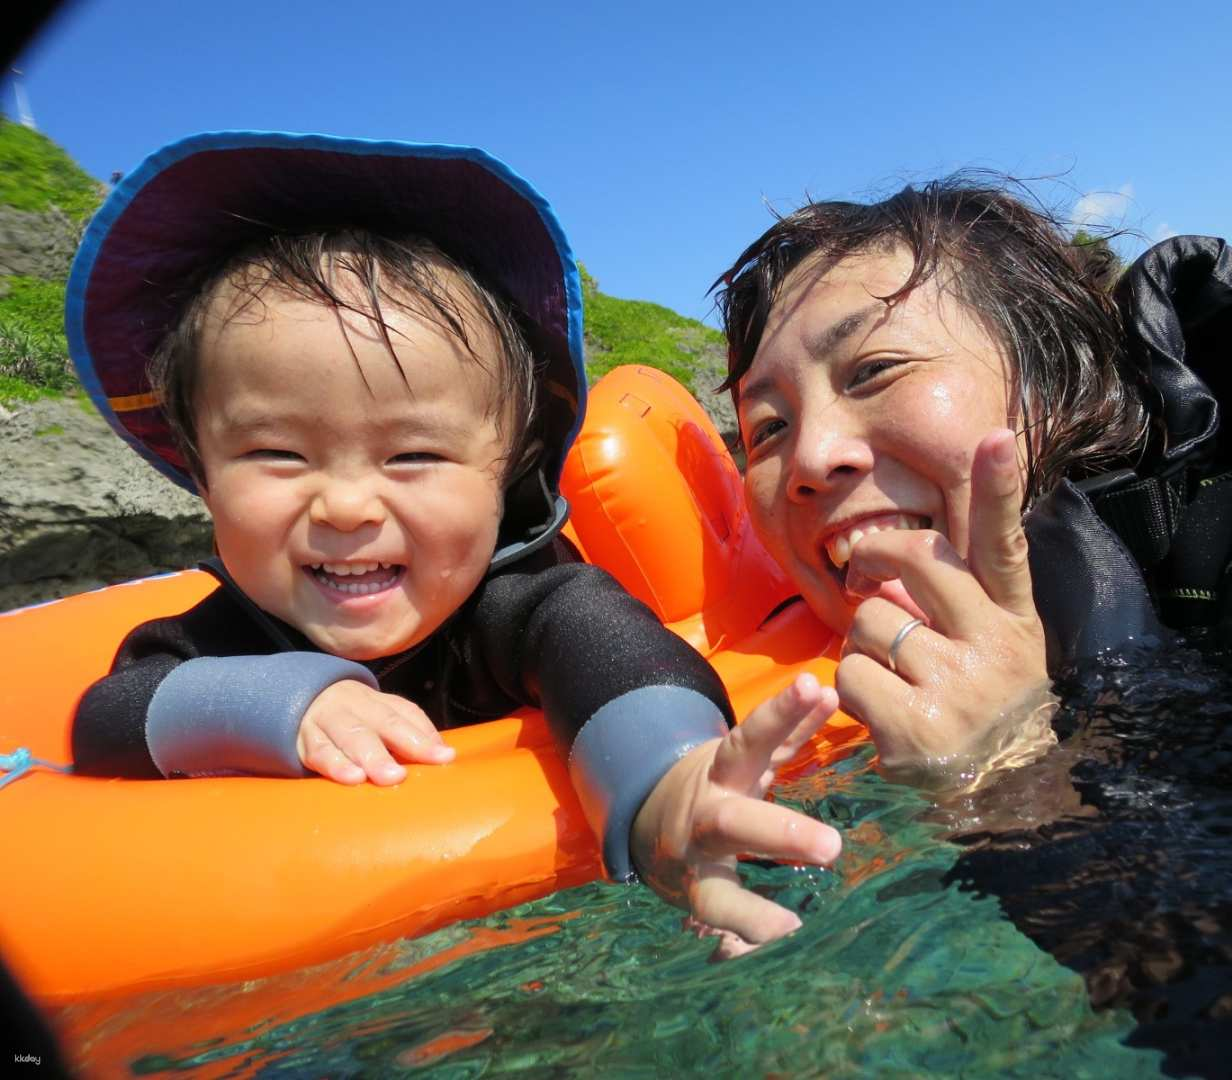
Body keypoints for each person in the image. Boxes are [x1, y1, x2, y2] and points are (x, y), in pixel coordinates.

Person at [67, 131, 841, 953]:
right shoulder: (223, 636)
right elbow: (108, 715)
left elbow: (613, 655)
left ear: (506, 469)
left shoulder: (526, 600)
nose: (346, 503)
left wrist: (670, 787)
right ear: (199, 466)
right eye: (276, 454)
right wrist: (286, 702)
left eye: (414, 455)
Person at [712, 176, 1232, 782]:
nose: (809, 459)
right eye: (767, 428)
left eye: (874, 370)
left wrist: (1009, 774)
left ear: (1055, 382)